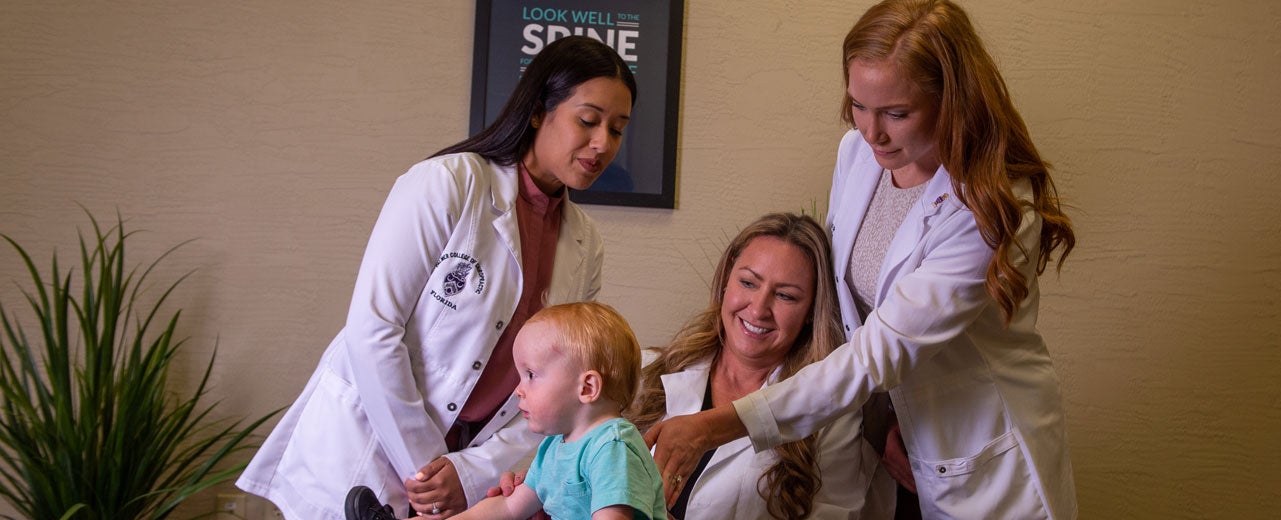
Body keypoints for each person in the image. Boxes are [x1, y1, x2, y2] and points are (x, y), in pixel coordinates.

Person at [644, 1, 1078, 518]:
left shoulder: (987, 206)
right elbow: (846, 306)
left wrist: (719, 424)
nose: (873, 133)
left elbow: (882, 351)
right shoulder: (857, 155)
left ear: (953, 101)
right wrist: (883, 419)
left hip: (978, 447)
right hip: (890, 429)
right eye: (858, 105)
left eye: (896, 113)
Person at [237, 35, 637, 520]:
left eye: (617, 130)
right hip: (373, 445)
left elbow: (563, 387)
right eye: (588, 120)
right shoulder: (448, 184)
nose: (603, 144)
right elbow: (373, 330)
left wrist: (470, 472)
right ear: (537, 111)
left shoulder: (585, 244)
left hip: (473, 470)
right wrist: (432, 467)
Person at [627, 213, 877, 520]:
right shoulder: (643, 374)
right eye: (748, 282)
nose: (758, 310)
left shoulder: (832, 415)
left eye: (785, 295)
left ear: (812, 310)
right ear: (727, 278)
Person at [345, 302, 667, 520]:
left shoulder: (612, 449)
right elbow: (510, 507)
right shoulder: (556, 448)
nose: (518, 390)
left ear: (586, 388)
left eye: (531, 375)